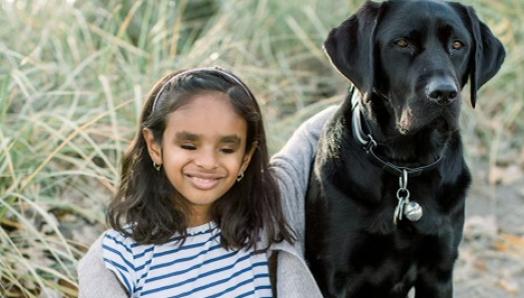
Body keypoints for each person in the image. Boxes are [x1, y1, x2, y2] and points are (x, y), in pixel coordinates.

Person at [78, 66, 336, 298]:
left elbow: (312, 135)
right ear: (154, 145)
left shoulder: (263, 220)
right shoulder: (119, 257)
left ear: (246, 157)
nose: (208, 162)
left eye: (227, 149)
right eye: (189, 145)